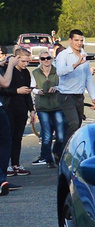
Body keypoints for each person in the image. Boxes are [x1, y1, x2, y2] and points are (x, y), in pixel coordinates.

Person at [1, 48, 34, 176]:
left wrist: (31, 110)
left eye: (28, 62)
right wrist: (16, 91)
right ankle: (7, 164)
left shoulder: (25, 73)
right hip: (8, 107)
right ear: (17, 59)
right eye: (24, 61)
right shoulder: (7, 71)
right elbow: (3, 90)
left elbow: (27, 93)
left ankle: (16, 163)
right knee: (8, 137)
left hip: (21, 108)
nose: (26, 64)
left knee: (18, 137)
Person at [54, 30, 91, 141]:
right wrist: (75, 64)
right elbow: (59, 72)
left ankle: (59, 149)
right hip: (66, 95)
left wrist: (93, 97)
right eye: (76, 40)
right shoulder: (63, 55)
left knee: (77, 124)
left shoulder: (84, 54)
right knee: (74, 123)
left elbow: (88, 77)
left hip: (79, 95)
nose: (79, 43)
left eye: (81, 40)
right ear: (70, 40)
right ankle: (66, 152)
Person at [31, 53, 66, 168]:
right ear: (40, 60)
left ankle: (55, 151)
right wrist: (37, 91)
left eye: (48, 58)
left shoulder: (57, 71)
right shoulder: (35, 73)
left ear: (52, 59)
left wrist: (56, 88)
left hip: (56, 106)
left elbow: (64, 86)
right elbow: (32, 88)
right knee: (46, 135)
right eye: (43, 58)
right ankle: (49, 160)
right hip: (42, 107)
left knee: (60, 136)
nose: (46, 60)